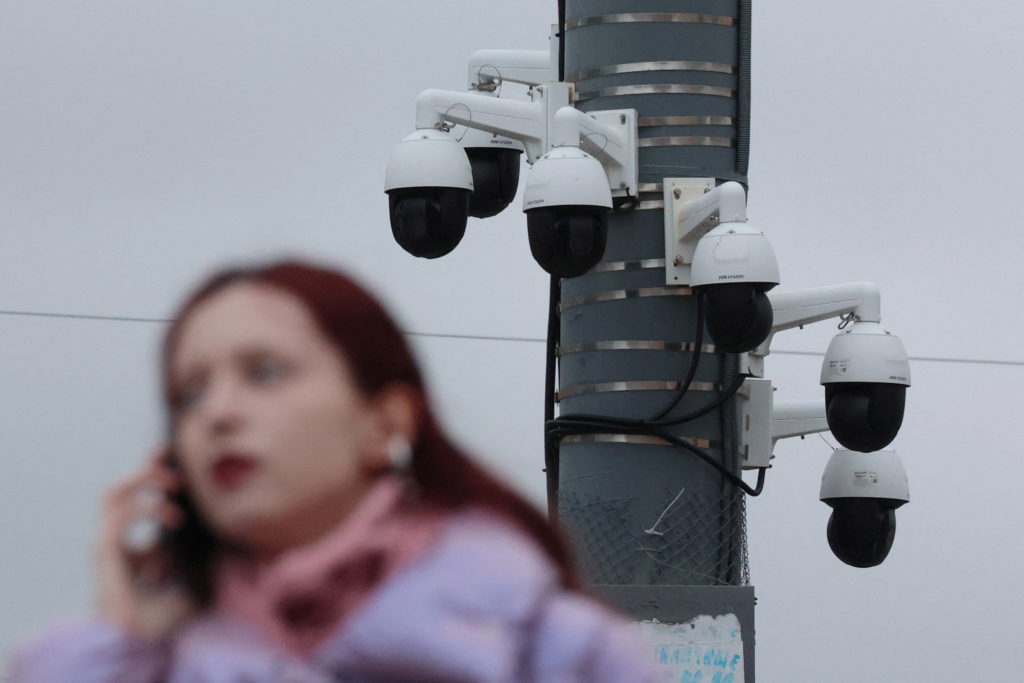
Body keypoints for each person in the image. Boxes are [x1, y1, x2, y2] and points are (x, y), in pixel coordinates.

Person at [11, 260, 658, 682]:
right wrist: (120, 632)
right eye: (190, 393)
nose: (219, 414)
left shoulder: (552, 651)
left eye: (264, 371)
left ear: (385, 420)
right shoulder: (150, 659)